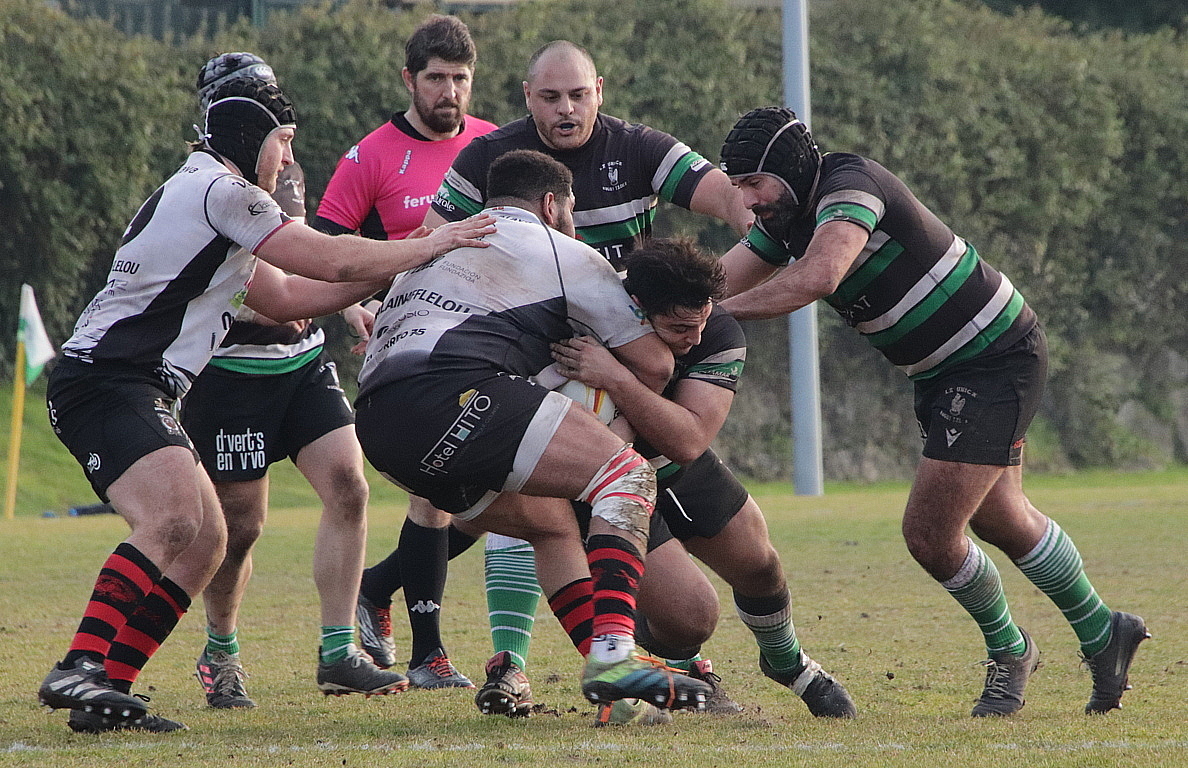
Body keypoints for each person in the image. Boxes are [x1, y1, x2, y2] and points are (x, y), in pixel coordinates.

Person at [36, 76, 494, 734]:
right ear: (252, 139)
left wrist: (399, 266)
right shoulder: (225, 193)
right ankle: (79, 665)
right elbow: (329, 262)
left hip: (137, 383)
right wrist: (430, 244)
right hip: (105, 379)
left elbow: (285, 300)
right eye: (283, 143)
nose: (285, 161)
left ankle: (108, 687)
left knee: (208, 540)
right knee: (170, 519)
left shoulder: (210, 194)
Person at [715, 106, 1148, 716]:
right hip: (946, 371)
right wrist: (643, 297)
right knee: (1002, 518)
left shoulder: (849, 187)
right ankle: (1106, 632)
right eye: (737, 188)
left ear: (786, 170)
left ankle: (1011, 649)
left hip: (994, 356)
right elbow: (719, 280)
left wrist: (713, 317)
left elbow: (820, 274)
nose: (747, 200)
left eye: (753, 184)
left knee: (930, 535)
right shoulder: (784, 218)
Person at [355, 38, 753, 703]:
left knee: (548, 523)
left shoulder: (443, 242)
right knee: (625, 478)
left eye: (577, 95)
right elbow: (655, 361)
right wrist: (609, 363)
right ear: (550, 208)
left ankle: (619, 689)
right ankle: (615, 657)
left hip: (380, 428)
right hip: (453, 398)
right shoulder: (563, 249)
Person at [550, 238, 857, 721]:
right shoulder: (584, 319)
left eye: (701, 321)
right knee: (690, 616)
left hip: (677, 465)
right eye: (678, 327)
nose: (695, 337)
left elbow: (689, 439)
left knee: (761, 567)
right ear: (636, 309)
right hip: (607, 483)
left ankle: (788, 663)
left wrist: (618, 378)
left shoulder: (718, 331)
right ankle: (661, 667)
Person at [181, 51, 405, 712]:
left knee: (349, 485)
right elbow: (250, 287)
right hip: (231, 375)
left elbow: (305, 249)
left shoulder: (287, 167)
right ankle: (220, 652)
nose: (274, 124)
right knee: (241, 527)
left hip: (302, 362)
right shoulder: (206, 184)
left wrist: (352, 303)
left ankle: (339, 651)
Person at [311, 14, 497, 689]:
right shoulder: (370, 158)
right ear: (409, 80)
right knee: (437, 492)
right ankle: (429, 656)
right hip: (411, 349)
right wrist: (357, 306)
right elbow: (323, 254)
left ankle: (377, 586)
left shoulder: (490, 144)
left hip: (487, 344)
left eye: (461, 80)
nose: (450, 92)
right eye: (437, 79)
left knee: (492, 492)